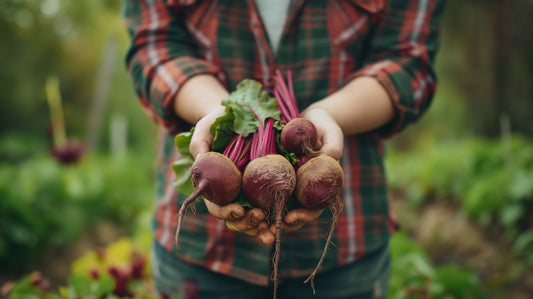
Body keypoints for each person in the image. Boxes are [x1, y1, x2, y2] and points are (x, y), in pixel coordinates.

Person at [123, 0, 444, 298]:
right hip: (200, 250)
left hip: (346, 248)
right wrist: (220, 112)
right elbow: (154, 45)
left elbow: (407, 62)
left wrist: (327, 116)